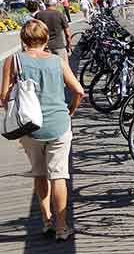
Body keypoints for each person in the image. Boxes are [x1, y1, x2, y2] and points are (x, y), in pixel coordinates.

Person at [0, 20, 84, 241]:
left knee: (39, 174)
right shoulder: (57, 61)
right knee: (58, 176)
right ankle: (61, 227)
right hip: (58, 124)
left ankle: (46, 220)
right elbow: (79, 91)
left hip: (29, 128)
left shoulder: (13, 60)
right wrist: (70, 111)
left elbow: (4, 98)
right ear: (46, 39)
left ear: (22, 39)